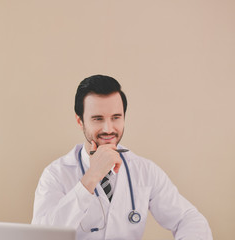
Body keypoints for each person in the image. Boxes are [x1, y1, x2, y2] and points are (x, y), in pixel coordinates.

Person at [31, 75, 212, 240]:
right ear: (80, 121)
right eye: (97, 119)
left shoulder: (144, 171)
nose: (109, 129)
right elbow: (41, 236)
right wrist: (91, 178)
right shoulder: (56, 174)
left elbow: (189, 219)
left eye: (116, 117)